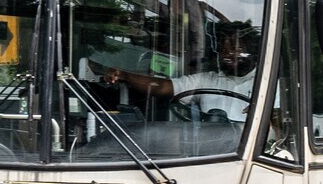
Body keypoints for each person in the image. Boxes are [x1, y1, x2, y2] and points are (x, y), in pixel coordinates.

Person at [104, 24, 258, 121]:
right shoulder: (207, 80)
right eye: (223, 50)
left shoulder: (270, 86)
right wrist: (124, 75)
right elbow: (163, 86)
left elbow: (278, 123)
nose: (227, 55)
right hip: (210, 154)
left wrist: (266, 114)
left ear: (252, 51)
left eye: (235, 48)